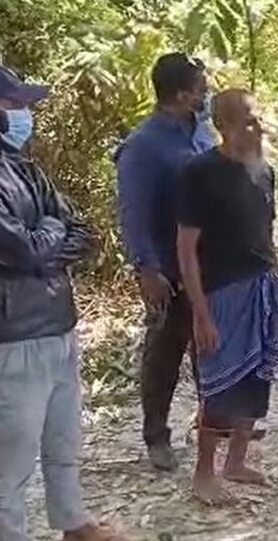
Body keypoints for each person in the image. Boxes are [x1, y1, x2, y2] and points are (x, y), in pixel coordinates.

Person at [0, 58, 127, 540]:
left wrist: (42, 239)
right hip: (12, 334)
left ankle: (75, 524)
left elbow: (82, 233)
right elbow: (23, 249)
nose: (24, 114)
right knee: (16, 460)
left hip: (58, 320)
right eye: (15, 103)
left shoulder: (22, 168)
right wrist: (45, 235)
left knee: (63, 441)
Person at [176, 89, 278, 504]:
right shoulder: (200, 173)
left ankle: (237, 461)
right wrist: (201, 314)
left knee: (256, 378)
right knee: (220, 385)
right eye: (247, 121)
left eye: (258, 119)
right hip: (221, 294)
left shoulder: (264, 172)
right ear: (223, 126)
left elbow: (266, 240)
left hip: (261, 288)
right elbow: (186, 249)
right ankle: (204, 473)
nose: (257, 128)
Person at [115, 53, 215, 471]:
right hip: (169, 268)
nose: (207, 93)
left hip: (209, 263)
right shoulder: (144, 146)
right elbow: (133, 211)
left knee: (210, 349)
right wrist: (146, 267)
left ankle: (212, 425)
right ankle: (156, 436)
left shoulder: (202, 132)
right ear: (180, 94)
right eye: (201, 88)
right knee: (164, 354)